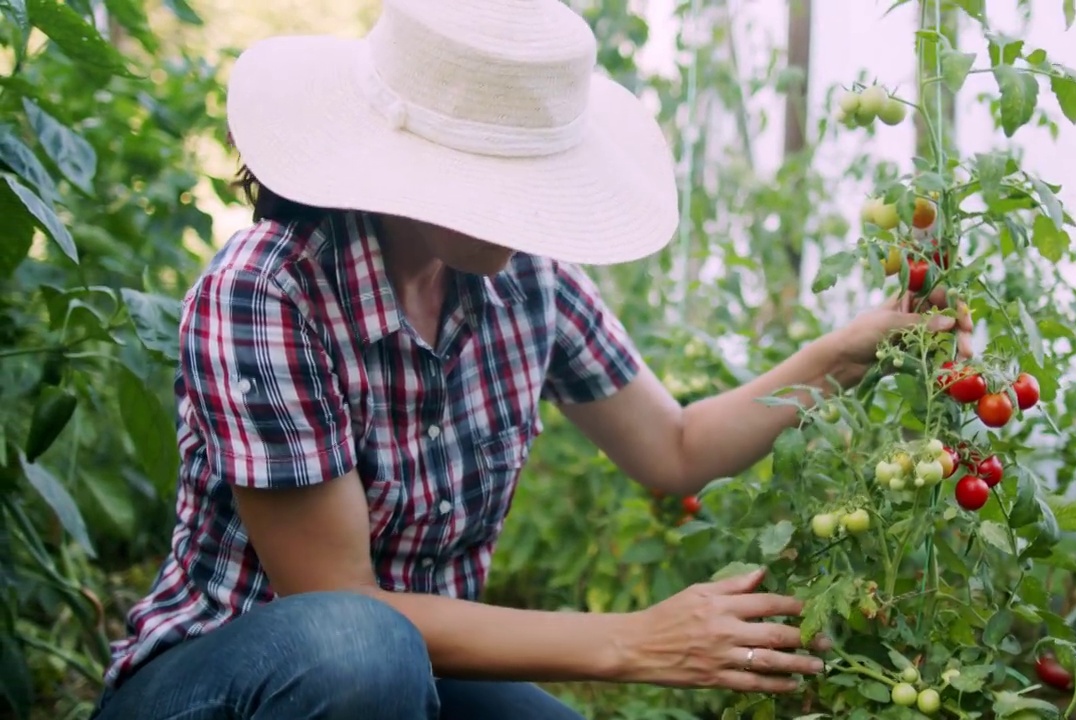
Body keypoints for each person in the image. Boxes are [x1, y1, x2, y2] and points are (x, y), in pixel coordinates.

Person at [91, 0, 972, 718]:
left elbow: (674, 448)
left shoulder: (526, 283)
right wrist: (639, 639)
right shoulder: (268, 293)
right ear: (406, 166)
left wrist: (847, 352)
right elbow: (341, 601)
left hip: (420, 678)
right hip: (231, 684)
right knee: (362, 655)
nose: (528, 211)